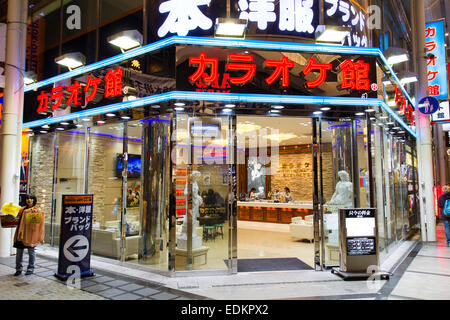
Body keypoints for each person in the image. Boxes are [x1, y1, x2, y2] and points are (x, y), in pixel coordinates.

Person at [13, 194, 45, 276]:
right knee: (19, 252)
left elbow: (38, 224)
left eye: (31, 198)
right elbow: (16, 218)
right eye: (27, 198)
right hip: (21, 233)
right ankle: (18, 269)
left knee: (31, 252)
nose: (29, 200)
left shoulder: (37, 210)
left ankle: (30, 268)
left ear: (34, 200)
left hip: (31, 235)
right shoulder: (22, 209)